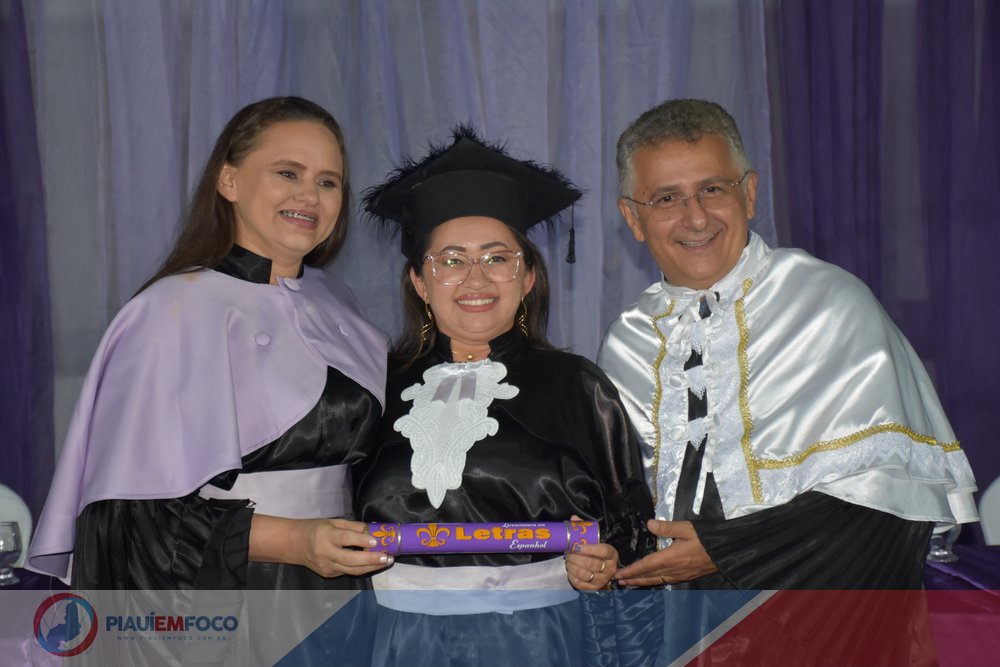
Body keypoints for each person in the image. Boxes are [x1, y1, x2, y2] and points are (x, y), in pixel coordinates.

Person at [604, 98, 978, 591]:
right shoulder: (626, 342)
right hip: (670, 624)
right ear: (633, 218)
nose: (695, 218)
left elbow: (893, 508)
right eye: (667, 198)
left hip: (814, 616)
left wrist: (728, 550)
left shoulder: (831, 304)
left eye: (712, 189)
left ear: (749, 194)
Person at [27, 97, 390, 591]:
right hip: (232, 598)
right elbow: (129, 519)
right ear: (229, 181)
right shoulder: (168, 311)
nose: (309, 195)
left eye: (328, 182)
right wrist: (294, 540)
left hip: (345, 590)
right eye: (288, 173)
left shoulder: (341, 303)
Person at [354, 127, 655, 665]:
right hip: (396, 644)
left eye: (498, 258)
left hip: (541, 643)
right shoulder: (372, 387)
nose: (476, 279)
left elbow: (632, 535)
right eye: (450, 261)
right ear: (419, 282)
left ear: (529, 277)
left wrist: (604, 564)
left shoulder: (577, 388)